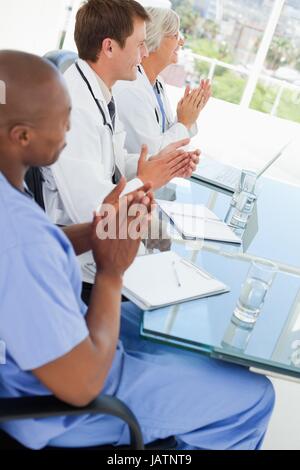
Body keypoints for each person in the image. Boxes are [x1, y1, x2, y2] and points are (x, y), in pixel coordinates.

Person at [0, 50, 275, 451]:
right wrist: (111, 273)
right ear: (22, 135)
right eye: (63, 119)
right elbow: (82, 387)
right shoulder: (18, 240)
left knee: (189, 330)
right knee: (254, 397)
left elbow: (40, 247)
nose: (70, 128)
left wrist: (95, 233)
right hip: (65, 403)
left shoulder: (12, 200)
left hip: (66, 337)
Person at [42, 0, 200, 229]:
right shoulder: (77, 111)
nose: (145, 53)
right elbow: (93, 210)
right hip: (74, 239)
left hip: (101, 229)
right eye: (139, 45)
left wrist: (157, 163)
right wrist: (146, 180)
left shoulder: (99, 92)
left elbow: (111, 164)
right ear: (109, 47)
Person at [113, 6, 211, 156]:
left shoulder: (157, 84)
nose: (182, 41)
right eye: (175, 35)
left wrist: (188, 114)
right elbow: (151, 155)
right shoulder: (130, 90)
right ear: (151, 37)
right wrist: (184, 122)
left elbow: (164, 136)